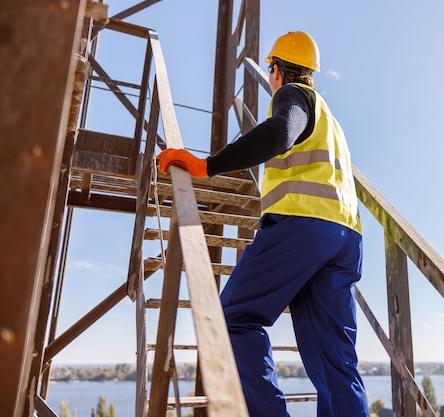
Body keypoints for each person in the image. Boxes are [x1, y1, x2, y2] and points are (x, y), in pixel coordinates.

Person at [158, 31, 369, 417]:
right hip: (346, 238)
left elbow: (280, 130)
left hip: (302, 226)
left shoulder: (292, 96)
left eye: (271, 68)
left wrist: (207, 166)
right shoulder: (330, 120)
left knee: (233, 319)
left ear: (276, 70)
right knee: (334, 356)